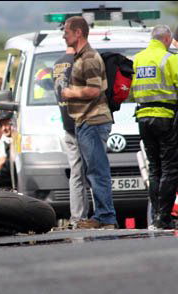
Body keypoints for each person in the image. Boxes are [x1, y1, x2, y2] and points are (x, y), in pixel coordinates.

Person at [61, 16, 117, 229]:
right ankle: (101, 216)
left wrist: (70, 92)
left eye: (66, 31)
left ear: (78, 33)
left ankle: (106, 217)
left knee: (97, 171)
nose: (64, 35)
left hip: (93, 120)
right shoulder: (80, 57)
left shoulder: (90, 58)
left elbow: (94, 89)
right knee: (92, 171)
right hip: (85, 121)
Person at [131, 25, 178, 229]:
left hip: (143, 117)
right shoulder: (170, 59)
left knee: (154, 168)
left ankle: (155, 216)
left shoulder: (138, 59)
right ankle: (164, 217)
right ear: (167, 39)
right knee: (170, 168)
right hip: (165, 118)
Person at [53, 46, 89, 229]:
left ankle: (77, 217)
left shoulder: (57, 64)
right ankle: (102, 216)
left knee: (76, 174)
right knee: (96, 173)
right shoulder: (82, 62)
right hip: (84, 124)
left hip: (67, 125)